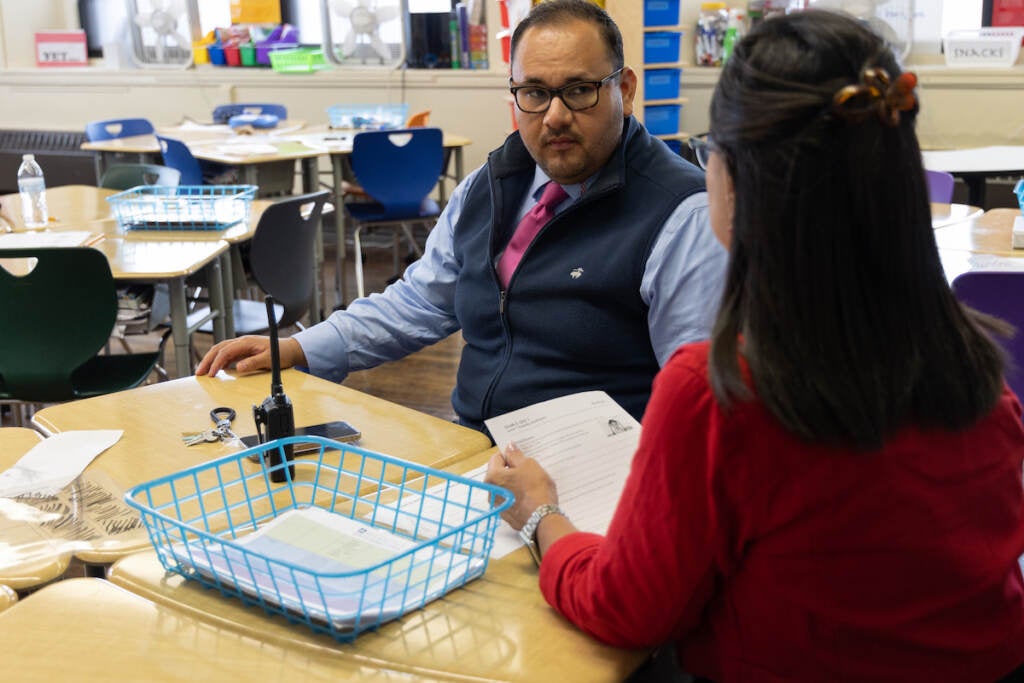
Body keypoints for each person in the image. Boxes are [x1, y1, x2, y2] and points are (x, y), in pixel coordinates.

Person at [485, 10, 1024, 681]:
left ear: (733, 181)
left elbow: (627, 609)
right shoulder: (980, 379)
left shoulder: (721, 392)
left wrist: (540, 511)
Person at [196, 0, 725, 434]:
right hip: (476, 447)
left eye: (580, 90)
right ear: (515, 96)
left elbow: (700, 407)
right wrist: (300, 347)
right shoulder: (489, 186)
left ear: (625, 89)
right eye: (535, 93)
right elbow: (422, 301)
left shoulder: (683, 217)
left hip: (598, 480)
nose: (556, 116)